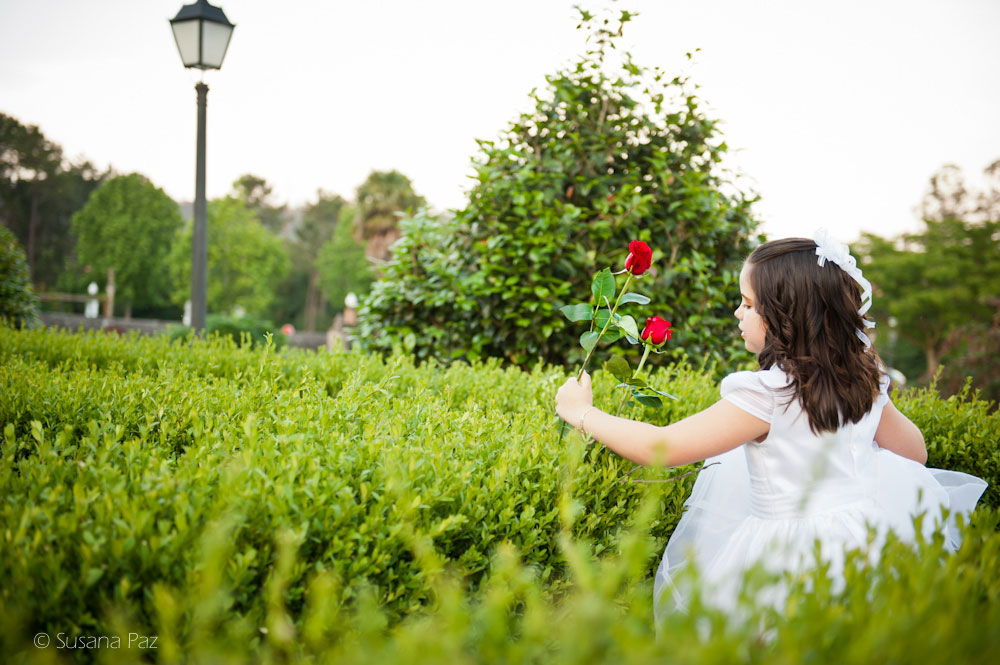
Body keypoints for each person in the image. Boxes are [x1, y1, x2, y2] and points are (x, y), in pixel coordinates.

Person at [554, 231, 987, 621]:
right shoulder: (864, 381)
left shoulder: (767, 392)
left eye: (747, 303)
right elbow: (914, 453)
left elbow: (662, 448)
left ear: (784, 315)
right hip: (866, 542)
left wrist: (582, 412)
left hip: (788, 555)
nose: (738, 313)